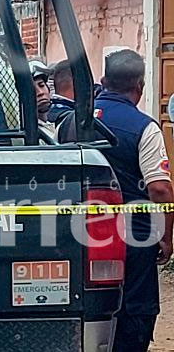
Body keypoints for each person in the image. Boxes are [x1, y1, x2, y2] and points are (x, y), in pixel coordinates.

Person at [94, 49, 174, 352]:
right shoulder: (145, 127)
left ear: (103, 81)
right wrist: (166, 236)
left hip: (80, 235)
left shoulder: (69, 123)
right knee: (134, 312)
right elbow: (160, 190)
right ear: (140, 86)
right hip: (133, 239)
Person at [29, 60, 56, 140]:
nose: (40, 93)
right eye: (32, 90)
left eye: (41, 85)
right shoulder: (30, 132)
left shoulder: (52, 125)